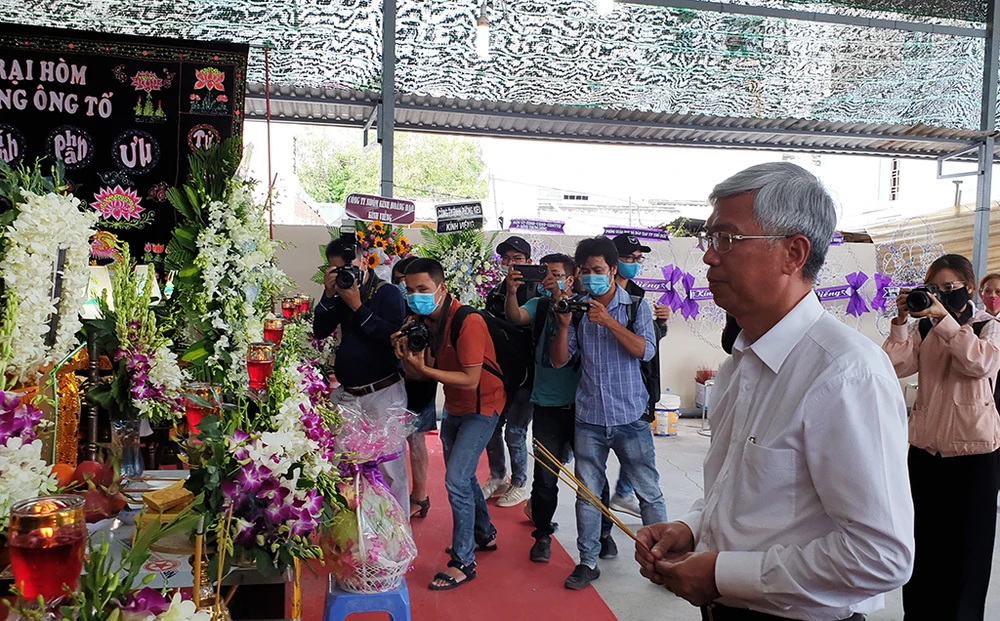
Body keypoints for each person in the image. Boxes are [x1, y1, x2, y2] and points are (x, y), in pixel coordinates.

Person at [636, 162, 914, 621]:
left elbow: (880, 556)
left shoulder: (846, 374)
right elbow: (740, 492)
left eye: (727, 239)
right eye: (710, 239)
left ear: (793, 253)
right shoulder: (739, 365)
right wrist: (692, 528)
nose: (708, 257)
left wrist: (723, 574)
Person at [884, 254, 1000, 621]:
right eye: (935, 288)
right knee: (924, 543)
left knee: (968, 551)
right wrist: (901, 323)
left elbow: (979, 363)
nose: (942, 295)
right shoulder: (924, 329)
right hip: (925, 451)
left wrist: (944, 320)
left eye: (950, 288)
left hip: (974, 455)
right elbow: (894, 366)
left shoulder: (989, 326)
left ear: (969, 288)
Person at [550, 236, 667, 591]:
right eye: (585, 270)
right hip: (589, 417)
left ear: (613, 270)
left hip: (629, 415)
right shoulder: (577, 308)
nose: (591, 276)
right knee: (587, 494)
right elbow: (559, 361)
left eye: (598, 270)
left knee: (648, 492)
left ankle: (662, 562)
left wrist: (609, 322)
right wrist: (564, 325)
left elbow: (645, 351)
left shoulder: (636, 307)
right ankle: (587, 561)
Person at [394, 258, 503, 591]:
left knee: (456, 479)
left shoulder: (468, 321)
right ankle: (484, 534)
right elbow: (417, 374)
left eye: (423, 289)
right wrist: (407, 356)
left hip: (483, 405)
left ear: (441, 288)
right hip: (455, 406)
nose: (416, 296)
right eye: (410, 290)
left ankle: (463, 561)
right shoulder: (422, 322)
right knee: (464, 476)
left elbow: (470, 379)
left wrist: (424, 369)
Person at [314, 238, 409, 512]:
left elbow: (391, 335)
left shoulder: (387, 293)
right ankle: (354, 530)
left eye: (350, 267)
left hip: (383, 393)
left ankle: (398, 533)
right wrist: (328, 295)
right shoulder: (340, 293)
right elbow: (320, 330)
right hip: (349, 395)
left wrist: (357, 306)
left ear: (365, 262)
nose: (346, 274)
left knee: (390, 470)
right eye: (337, 270)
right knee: (344, 466)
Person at [504, 253, 584, 563]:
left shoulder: (583, 307)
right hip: (545, 402)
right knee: (545, 477)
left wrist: (563, 302)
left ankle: (602, 534)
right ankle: (542, 536)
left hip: (582, 405)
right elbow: (515, 317)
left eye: (556, 274)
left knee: (590, 475)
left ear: (570, 278)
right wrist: (512, 291)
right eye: (544, 273)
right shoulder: (539, 305)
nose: (548, 278)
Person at [608, 233, 671, 518]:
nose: (634, 264)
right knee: (574, 452)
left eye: (638, 259)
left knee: (639, 454)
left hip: (634, 388)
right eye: (628, 258)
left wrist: (661, 324)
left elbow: (647, 346)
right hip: (596, 392)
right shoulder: (594, 296)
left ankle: (623, 492)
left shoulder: (639, 297)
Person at [481, 235, 537, 508]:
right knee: (491, 427)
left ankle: (519, 483)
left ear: (529, 262)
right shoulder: (495, 292)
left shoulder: (537, 294)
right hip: (499, 373)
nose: (511, 263)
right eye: (506, 258)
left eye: (517, 259)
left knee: (515, 432)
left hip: (528, 376)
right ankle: (497, 476)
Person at [391, 256, 437, 519]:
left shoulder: (430, 317)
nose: (409, 292)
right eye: (403, 284)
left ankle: (419, 496)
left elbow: (427, 367)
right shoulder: (400, 311)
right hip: (394, 383)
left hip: (419, 384)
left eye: (419, 288)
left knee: (416, 439)